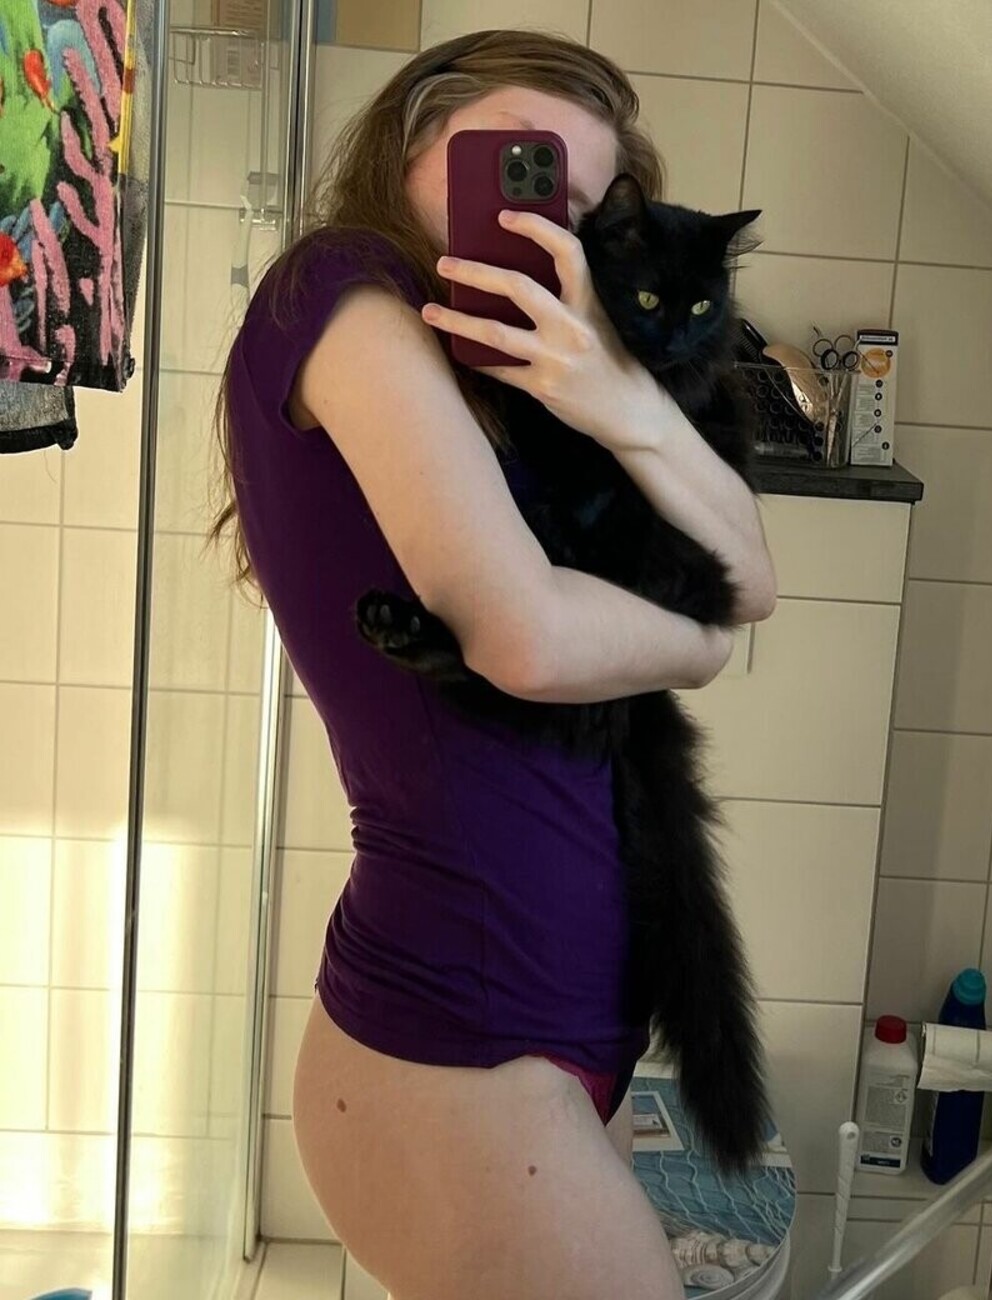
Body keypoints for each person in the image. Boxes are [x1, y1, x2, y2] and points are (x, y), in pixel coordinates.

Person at [208, 28, 776, 1300]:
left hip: (553, 1027)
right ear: (418, 133)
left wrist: (622, 400)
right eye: (515, 161)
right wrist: (697, 646)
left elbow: (752, 573)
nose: (537, 210)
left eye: (573, 198)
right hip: (457, 1036)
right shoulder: (340, 289)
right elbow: (525, 635)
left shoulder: (525, 364)